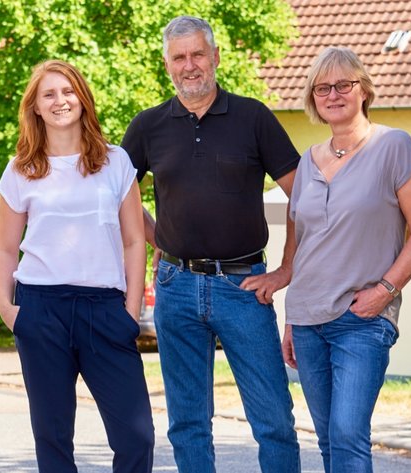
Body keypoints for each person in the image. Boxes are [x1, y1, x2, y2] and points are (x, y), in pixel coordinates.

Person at [120, 15, 301, 473]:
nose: (190, 66)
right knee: (187, 423)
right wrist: (156, 234)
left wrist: (285, 270)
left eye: (198, 54)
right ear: (167, 66)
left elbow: (305, 199)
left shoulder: (253, 117)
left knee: (274, 419)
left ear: (216, 57)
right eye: (179, 58)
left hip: (245, 288)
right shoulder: (148, 127)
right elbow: (115, 196)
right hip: (176, 288)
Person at [281, 46, 411, 473]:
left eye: (344, 85)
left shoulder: (394, 146)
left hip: (363, 319)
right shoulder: (307, 161)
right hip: (308, 318)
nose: (333, 94)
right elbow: (301, 244)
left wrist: (385, 290)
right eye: (322, 87)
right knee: (330, 439)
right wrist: (292, 319)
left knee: (349, 434)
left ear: (363, 90)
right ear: (312, 98)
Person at [0, 59, 154, 473]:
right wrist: (9, 311)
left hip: (106, 309)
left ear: (82, 99)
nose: (60, 101)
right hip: (41, 310)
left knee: (136, 437)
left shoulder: (116, 163)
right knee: (53, 436)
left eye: (68, 92)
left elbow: (135, 241)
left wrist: (130, 312)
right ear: (36, 107)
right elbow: (6, 248)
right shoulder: (21, 170)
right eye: (49, 94)